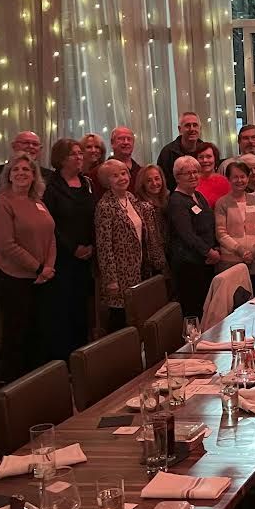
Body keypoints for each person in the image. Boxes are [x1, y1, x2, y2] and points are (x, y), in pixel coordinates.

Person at [0, 155, 56, 381]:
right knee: (15, 335)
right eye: (16, 169)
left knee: (38, 332)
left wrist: (48, 267)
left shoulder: (37, 201)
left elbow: (50, 236)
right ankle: (13, 388)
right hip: (13, 277)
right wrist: (38, 268)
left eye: (27, 170)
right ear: (8, 175)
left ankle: (36, 383)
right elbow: (7, 245)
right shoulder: (2, 202)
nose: (21, 173)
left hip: (42, 278)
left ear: (34, 175)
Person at [95, 159, 166, 331]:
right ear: (106, 181)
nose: (121, 178)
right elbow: (104, 246)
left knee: (139, 315)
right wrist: (111, 279)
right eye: (115, 175)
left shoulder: (131, 198)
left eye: (124, 173)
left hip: (139, 267)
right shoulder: (105, 206)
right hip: (120, 272)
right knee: (121, 320)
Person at [42, 138, 96, 364]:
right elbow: (50, 223)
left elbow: (94, 218)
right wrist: (72, 248)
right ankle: (63, 361)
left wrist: (91, 244)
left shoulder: (86, 183)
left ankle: (82, 358)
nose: (79, 157)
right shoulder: (50, 186)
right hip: (63, 258)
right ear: (61, 159)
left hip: (87, 257)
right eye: (74, 154)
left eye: (79, 153)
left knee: (82, 309)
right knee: (63, 310)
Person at [167, 155, 219, 316]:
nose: (193, 176)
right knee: (193, 308)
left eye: (196, 172)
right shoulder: (177, 201)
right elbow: (187, 234)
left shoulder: (198, 195)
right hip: (188, 263)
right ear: (177, 177)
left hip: (204, 261)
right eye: (187, 173)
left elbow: (210, 224)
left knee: (205, 305)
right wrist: (209, 252)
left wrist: (214, 247)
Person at [215, 160, 255, 290]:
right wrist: (241, 251)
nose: (239, 180)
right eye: (235, 177)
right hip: (230, 262)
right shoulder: (222, 203)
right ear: (228, 179)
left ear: (248, 178)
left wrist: (254, 250)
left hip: (254, 260)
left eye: (243, 176)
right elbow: (221, 233)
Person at [158, 111, 219, 190]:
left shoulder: (206, 151)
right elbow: (163, 184)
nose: (192, 129)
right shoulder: (167, 153)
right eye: (187, 125)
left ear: (200, 129)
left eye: (195, 125)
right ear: (180, 129)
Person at [133, 164, 169, 254]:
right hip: (155, 258)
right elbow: (152, 242)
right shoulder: (143, 207)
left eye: (157, 178)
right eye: (149, 180)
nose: (154, 183)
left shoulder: (168, 200)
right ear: (142, 184)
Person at [194, 140, 231, 207]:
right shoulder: (192, 182)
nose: (205, 160)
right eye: (201, 157)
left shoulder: (224, 182)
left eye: (209, 156)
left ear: (215, 158)